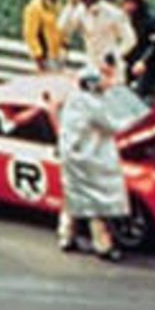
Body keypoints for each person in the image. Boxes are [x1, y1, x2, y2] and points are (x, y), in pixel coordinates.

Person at [56, 64, 139, 262]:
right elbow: (113, 125)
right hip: (89, 159)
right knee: (96, 203)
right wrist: (135, 119)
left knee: (73, 197)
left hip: (71, 157)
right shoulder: (93, 104)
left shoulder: (73, 99)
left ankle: (65, 236)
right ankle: (103, 245)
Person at [56, 0, 135, 86]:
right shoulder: (80, 11)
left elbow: (130, 39)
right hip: (92, 65)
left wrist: (116, 54)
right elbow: (62, 28)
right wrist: (70, 6)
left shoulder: (114, 13)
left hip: (111, 66)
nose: (88, 2)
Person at [118, 0, 155, 99]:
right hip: (128, 62)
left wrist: (143, 61)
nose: (127, 6)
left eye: (131, 3)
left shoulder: (152, 20)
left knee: (138, 93)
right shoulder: (124, 20)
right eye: (125, 2)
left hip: (147, 64)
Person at [20, 0, 65, 72]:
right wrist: (38, 56)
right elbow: (30, 34)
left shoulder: (56, 5)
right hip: (44, 56)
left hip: (57, 54)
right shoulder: (34, 7)